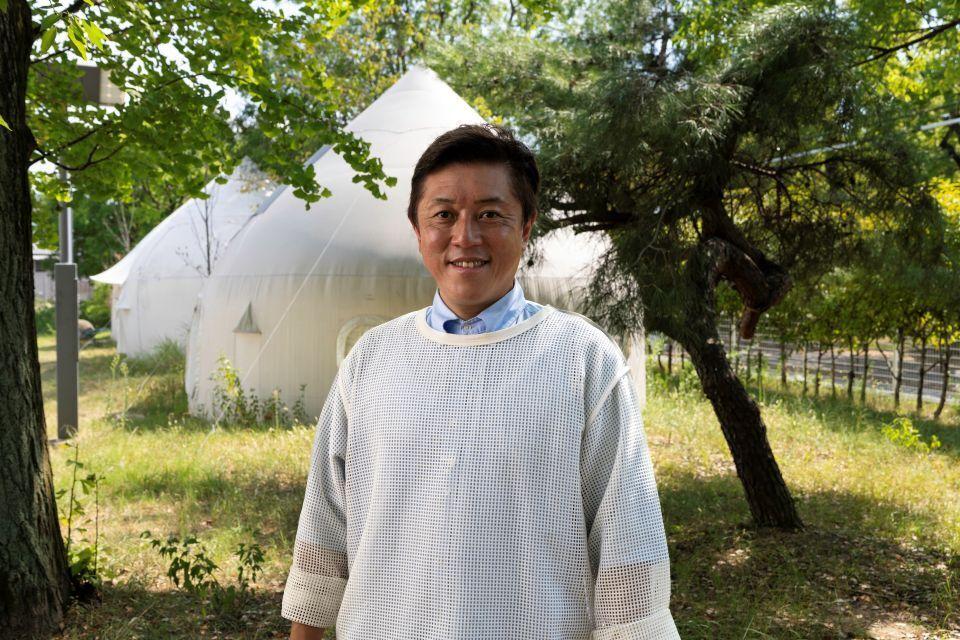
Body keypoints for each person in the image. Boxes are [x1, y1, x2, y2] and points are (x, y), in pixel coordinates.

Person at [282, 124, 680, 640]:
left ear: (527, 225)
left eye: (490, 215)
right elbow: (324, 535)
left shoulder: (582, 360)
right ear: (417, 227)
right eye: (443, 215)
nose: (464, 237)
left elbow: (630, 549)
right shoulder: (372, 361)